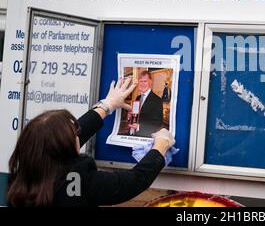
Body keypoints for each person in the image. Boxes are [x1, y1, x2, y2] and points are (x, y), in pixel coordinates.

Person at [7, 77, 175, 207]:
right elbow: (134, 180)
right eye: (73, 134)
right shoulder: (78, 181)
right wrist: (160, 146)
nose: (77, 134)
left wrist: (106, 105)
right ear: (65, 147)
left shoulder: (24, 175)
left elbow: (65, 136)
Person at [128, 70, 164, 136]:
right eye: (141, 81)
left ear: (150, 82)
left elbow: (158, 124)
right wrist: (130, 116)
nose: (143, 84)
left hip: (145, 136)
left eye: (145, 81)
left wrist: (139, 127)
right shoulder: (138, 98)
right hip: (133, 135)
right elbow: (137, 116)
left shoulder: (157, 100)